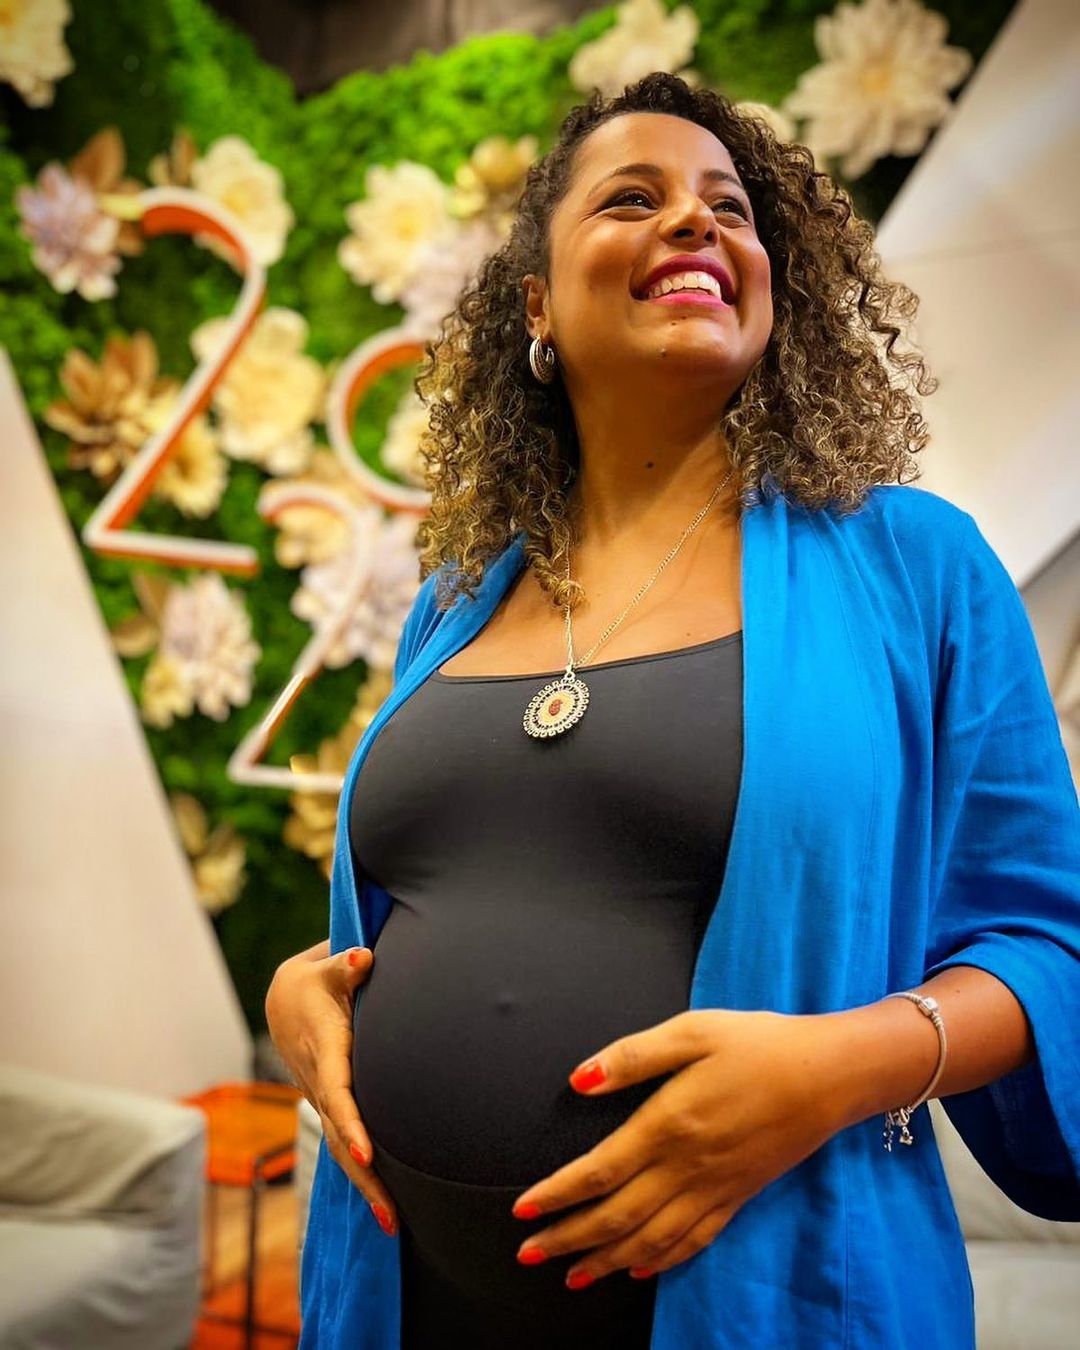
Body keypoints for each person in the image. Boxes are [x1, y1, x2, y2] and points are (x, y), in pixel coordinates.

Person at [266, 72, 1080, 1350]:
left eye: (729, 209)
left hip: (768, 1297)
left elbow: (1051, 950)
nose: (696, 221)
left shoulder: (915, 568)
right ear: (537, 302)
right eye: (632, 199)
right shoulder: (458, 598)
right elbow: (438, 891)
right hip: (405, 1301)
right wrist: (298, 987)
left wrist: (831, 1072)